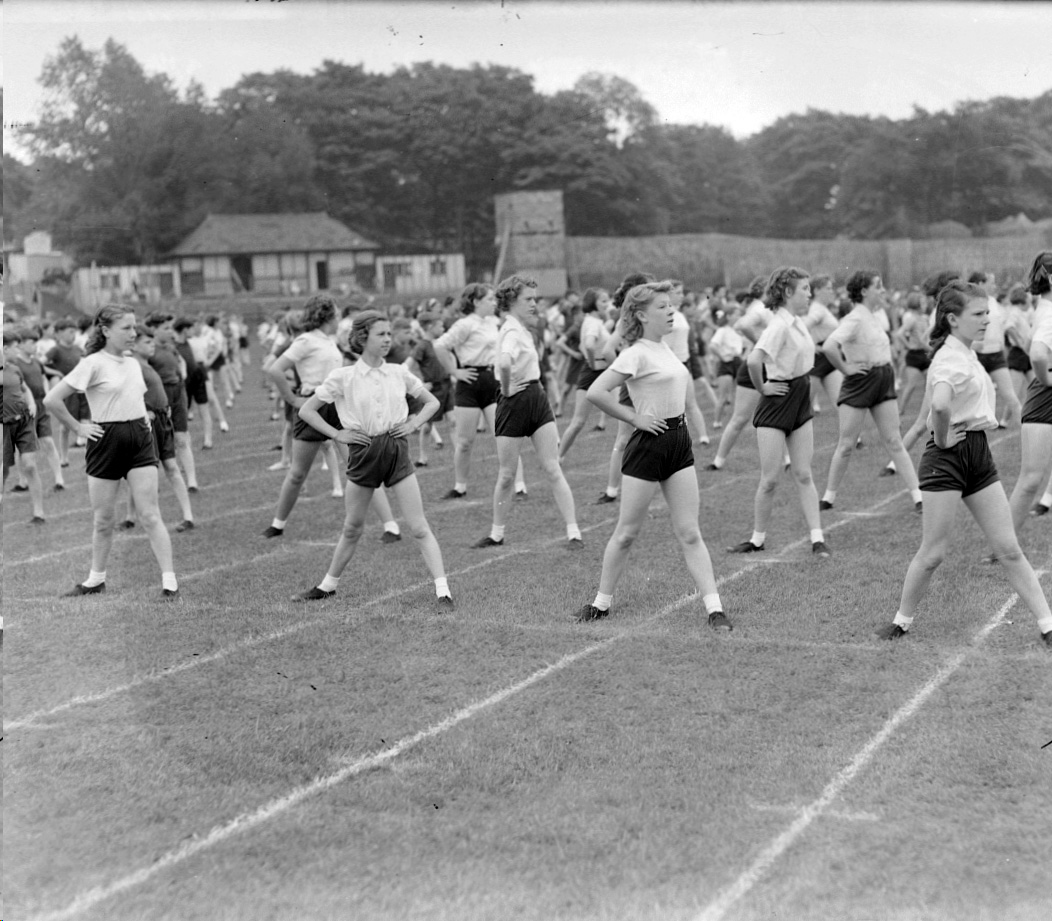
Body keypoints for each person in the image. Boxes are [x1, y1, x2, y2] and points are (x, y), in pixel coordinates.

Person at [875, 280, 1052, 646]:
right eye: (978, 314)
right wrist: (940, 438)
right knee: (933, 553)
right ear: (953, 319)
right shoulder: (951, 358)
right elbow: (939, 405)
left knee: (1008, 548)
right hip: (947, 459)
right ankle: (901, 621)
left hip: (977, 453)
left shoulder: (965, 352)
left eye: (987, 312)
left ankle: (1048, 624)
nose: (987, 320)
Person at [574, 281, 730, 629]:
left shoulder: (665, 348)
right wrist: (633, 418)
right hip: (648, 445)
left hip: (678, 441)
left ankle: (714, 609)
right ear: (642, 315)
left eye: (670, 305)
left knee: (690, 532)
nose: (671, 310)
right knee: (627, 532)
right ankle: (600, 604)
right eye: (663, 306)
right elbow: (597, 392)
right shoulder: (636, 353)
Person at [292, 311, 453, 606]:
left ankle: (443, 590)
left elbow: (432, 403)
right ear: (363, 338)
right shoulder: (343, 376)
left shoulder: (398, 372)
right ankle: (327, 586)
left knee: (418, 526)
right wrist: (337, 434)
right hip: (363, 454)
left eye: (389, 333)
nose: (388, 339)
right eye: (381, 334)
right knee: (352, 527)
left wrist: (413, 424)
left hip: (396, 452)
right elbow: (307, 410)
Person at [43, 305, 179, 598]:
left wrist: (144, 416)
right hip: (106, 442)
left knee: (150, 514)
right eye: (126, 328)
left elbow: (136, 396)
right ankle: (95, 580)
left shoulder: (132, 363)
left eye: (134, 327)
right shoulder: (92, 363)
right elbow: (52, 400)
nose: (133, 333)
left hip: (140, 441)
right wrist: (78, 428)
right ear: (105, 331)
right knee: (103, 519)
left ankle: (170, 582)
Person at [262, 294, 400, 540]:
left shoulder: (329, 340)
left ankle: (390, 526)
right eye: (336, 315)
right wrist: (293, 400)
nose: (339, 319)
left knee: (361, 466)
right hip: (312, 406)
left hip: (336, 405)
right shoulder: (305, 340)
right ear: (326, 316)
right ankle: (277, 524)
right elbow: (274, 369)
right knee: (297, 474)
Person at [473, 274, 582, 548]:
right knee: (507, 474)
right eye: (528, 299)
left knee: (552, 467)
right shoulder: (510, 330)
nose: (535, 303)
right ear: (511, 301)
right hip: (515, 402)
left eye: (535, 298)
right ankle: (496, 533)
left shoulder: (521, 328)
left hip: (536, 397)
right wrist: (507, 389)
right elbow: (505, 363)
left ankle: (574, 531)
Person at [726, 268, 829, 557]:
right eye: (805, 289)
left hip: (799, 395)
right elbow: (754, 359)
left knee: (803, 473)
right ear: (787, 293)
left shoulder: (796, 322)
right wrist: (763, 388)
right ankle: (757, 539)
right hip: (777, 399)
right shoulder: (778, 325)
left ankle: (817, 538)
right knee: (770, 478)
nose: (810, 294)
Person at [819, 270, 923, 512]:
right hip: (860, 382)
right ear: (864, 291)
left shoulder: (874, 316)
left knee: (894, 440)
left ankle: (918, 497)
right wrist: (846, 368)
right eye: (879, 286)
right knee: (846, 444)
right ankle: (828, 498)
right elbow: (829, 346)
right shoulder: (855, 318)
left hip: (882, 377)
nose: (883, 290)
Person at [432, 283, 526, 499]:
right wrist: (455, 371)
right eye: (489, 299)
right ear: (475, 302)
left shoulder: (494, 322)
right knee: (464, 442)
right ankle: (460, 486)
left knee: (505, 435)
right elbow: (440, 345)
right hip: (470, 382)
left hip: (492, 380)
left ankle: (520, 485)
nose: (494, 303)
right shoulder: (464, 324)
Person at [120, 325, 195, 532]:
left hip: (162, 421)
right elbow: (125, 394)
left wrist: (165, 409)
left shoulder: (146, 363)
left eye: (152, 341)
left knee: (171, 467)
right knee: (141, 471)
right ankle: (133, 517)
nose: (152, 345)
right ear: (133, 345)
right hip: (147, 424)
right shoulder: (132, 365)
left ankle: (188, 516)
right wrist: (145, 411)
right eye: (147, 342)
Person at [1007, 252, 1052, 535]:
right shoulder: (1048, 310)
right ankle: (1003, 545)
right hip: (1045, 394)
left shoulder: (1044, 307)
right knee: (1031, 478)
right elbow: (1036, 353)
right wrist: (1046, 378)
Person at [557, 287, 614, 462]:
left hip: (603, 371)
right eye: (603, 301)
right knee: (578, 422)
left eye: (607, 300)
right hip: (594, 372)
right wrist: (592, 362)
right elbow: (588, 345)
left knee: (628, 411)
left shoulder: (594, 321)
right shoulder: (592, 323)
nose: (607, 304)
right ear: (593, 304)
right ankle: (557, 457)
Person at [968, 271, 1021, 429]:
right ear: (979, 283)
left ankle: (1025, 432)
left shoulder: (994, 303)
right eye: (990, 282)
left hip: (996, 356)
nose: (994, 285)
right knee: (973, 397)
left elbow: (1004, 326)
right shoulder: (969, 302)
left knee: (1011, 397)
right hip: (976, 356)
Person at [3, 331, 46, 523]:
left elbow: (25, 388)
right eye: (15, 346)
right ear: (4, 348)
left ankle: (39, 513)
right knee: (3, 471)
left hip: (24, 422)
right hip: (4, 426)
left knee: (29, 465)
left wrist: (32, 403)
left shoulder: (14, 369)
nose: (17, 350)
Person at [405, 310, 450, 467]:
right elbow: (406, 367)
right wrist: (420, 384)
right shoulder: (422, 346)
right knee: (427, 426)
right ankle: (422, 458)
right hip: (434, 389)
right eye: (440, 326)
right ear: (430, 327)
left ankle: (460, 452)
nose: (443, 328)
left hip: (447, 385)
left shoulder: (441, 342)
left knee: (455, 421)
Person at [43, 318, 87, 466]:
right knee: (65, 427)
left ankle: (89, 457)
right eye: (69, 332)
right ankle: (63, 457)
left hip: (82, 390)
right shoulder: (55, 350)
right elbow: (40, 364)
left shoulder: (77, 349)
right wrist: (58, 374)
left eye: (74, 332)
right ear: (59, 333)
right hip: (67, 393)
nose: (73, 335)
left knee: (87, 422)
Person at [805, 274, 844, 414]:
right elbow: (803, 327)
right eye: (828, 288)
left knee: (841, 402)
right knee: (801, 406)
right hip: (818, 359)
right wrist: (813, 346)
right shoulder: (817, 310)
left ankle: (854, 437)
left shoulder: (822, 308)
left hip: (829, 358)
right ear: (816, 291)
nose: (831, 291)